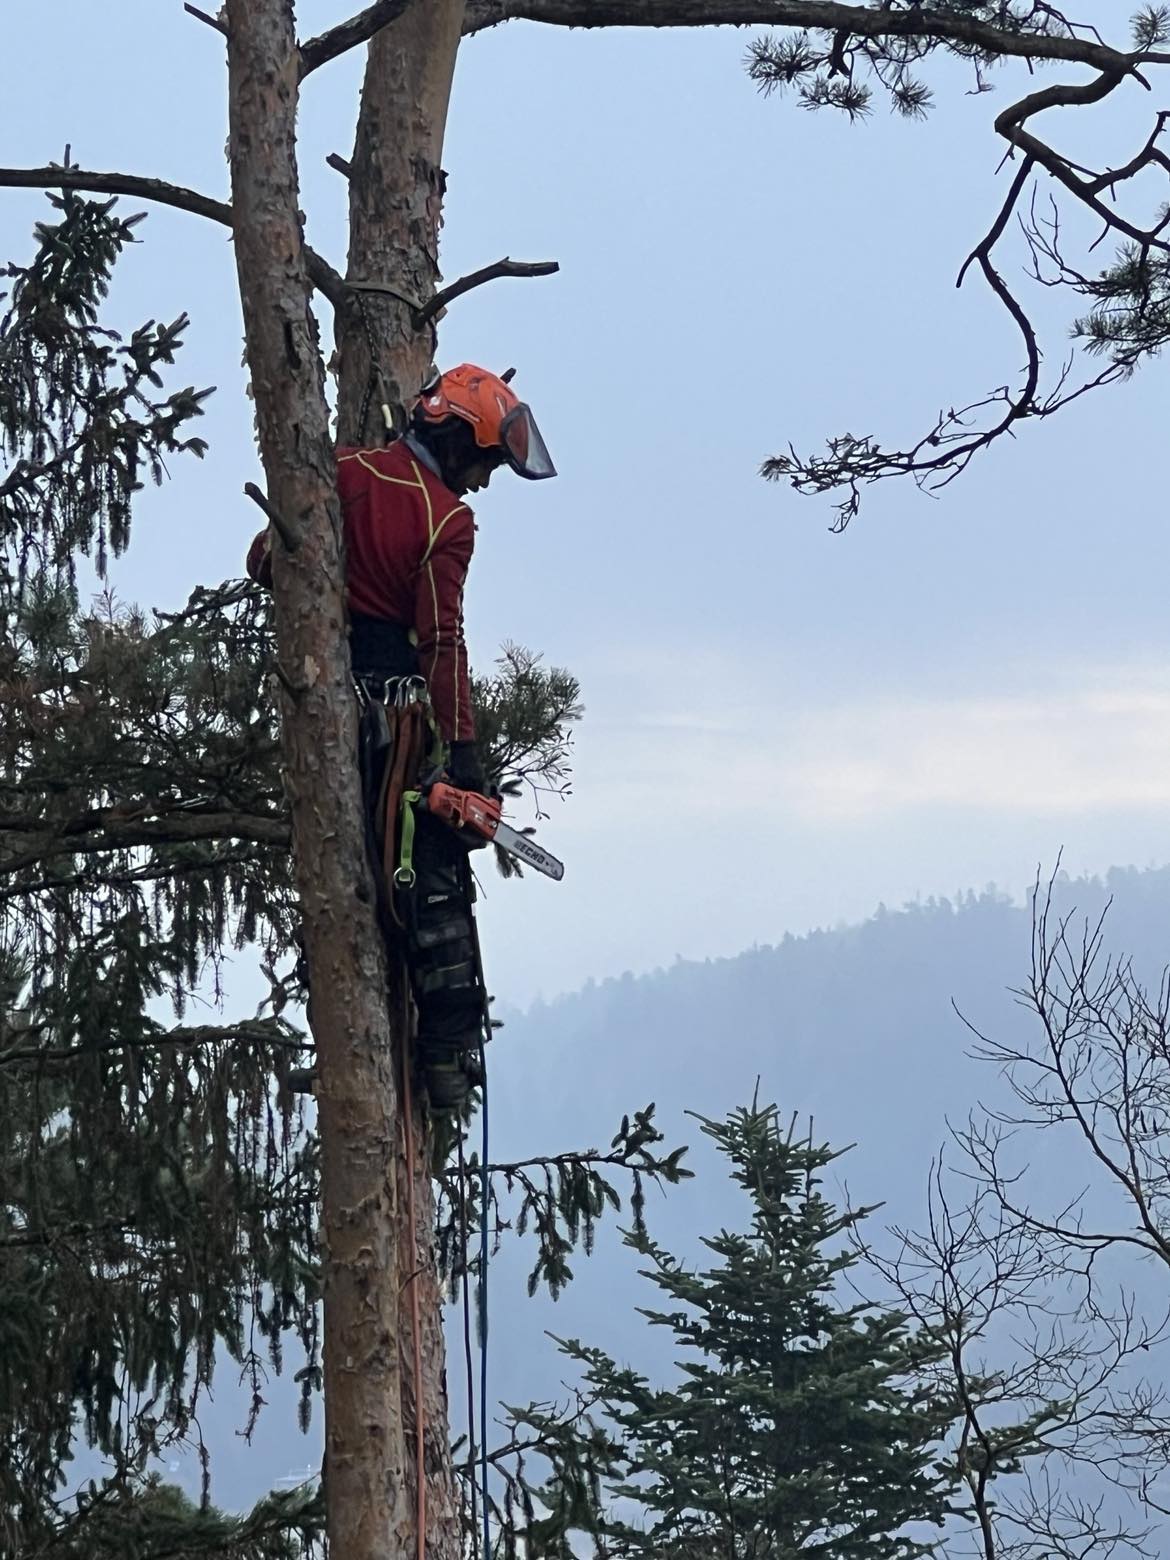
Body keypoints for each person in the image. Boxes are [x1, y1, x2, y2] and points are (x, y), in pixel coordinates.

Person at [247, 364, 556, 1107]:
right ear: (452, 442)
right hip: (393, 716)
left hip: (315, 711)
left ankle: (365, 1037)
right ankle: (446, 1052)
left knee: (350, 879)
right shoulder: (445, 518)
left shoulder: (341, 469)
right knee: (428, 870)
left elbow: (262, 560)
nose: (481, 482)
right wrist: (468, 758)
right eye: (482, 463)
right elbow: (441, 641)